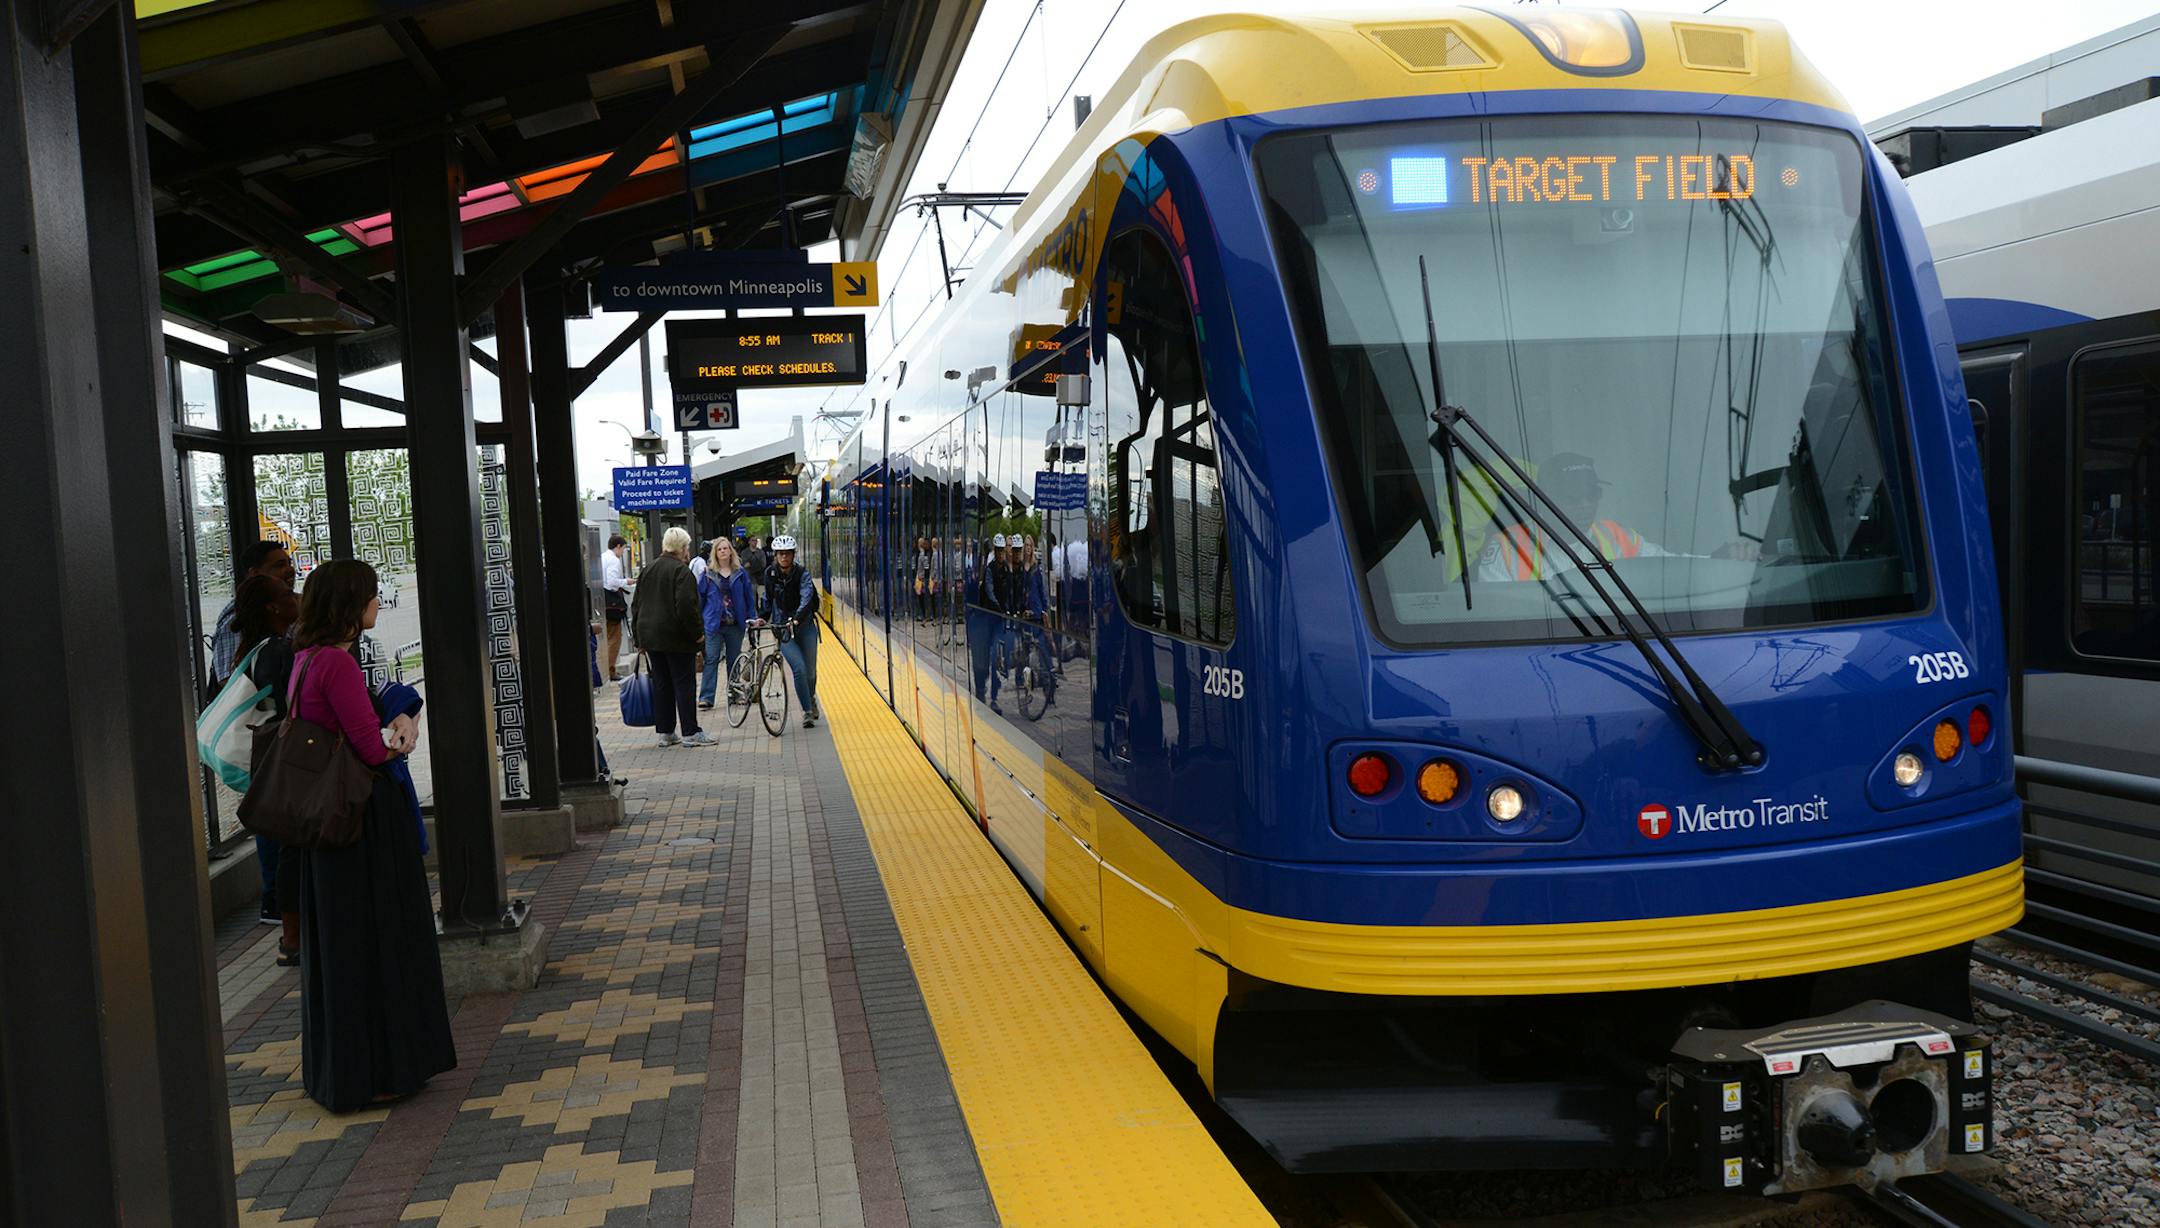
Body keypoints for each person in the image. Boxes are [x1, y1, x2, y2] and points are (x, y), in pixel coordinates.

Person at [285, 559, 455, 1112]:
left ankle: (347, 1071)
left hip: (327, 831)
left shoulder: (304, 660)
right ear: (349, 607)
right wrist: (404, 734)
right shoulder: (335, 663)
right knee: (378, 942)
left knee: (342, 949)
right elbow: (371, 746)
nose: (378, 604)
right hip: (360, 828)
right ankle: (380, 1070)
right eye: (372, 596)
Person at [232, 575, 303, 940]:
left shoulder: (252, 648)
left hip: (265, 756)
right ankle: (283, 914)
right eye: (287, 594)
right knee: (288, 839)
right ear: (273, 607)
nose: (295, 596)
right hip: (282, 756)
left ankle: (277, 907)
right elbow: (295, 706)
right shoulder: (278, 650)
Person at [634, 526, 713, 747]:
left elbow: (636, 605)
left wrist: (639, 639)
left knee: (662, 684)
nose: (688, 551)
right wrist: (697, 635)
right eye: (687, 546)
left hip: (651, 638)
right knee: (684, 684)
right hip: (677, 639)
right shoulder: (681, 572)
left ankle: (666, 732)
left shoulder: (648, 569)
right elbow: (687, 607)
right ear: (682, 548)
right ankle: (690, 732)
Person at [211, 540, 297, 688]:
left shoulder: (289, 609)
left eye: (289, 563)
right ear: (255, 573)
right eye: (280, 565)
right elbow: (229, 680)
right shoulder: (238, 616)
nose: (290, 570)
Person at [758, 535, 821, 728]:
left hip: (805, 626)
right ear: (775, 556)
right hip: (783, 629)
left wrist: (797, 619)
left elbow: (807, 598)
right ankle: (807, 712)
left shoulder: (802, 574)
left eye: (787, 554)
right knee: (799, 669)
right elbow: (768, 599)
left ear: (793, 555)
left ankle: (810, 697)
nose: (784, 557)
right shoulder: (770, 574)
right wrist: (763, 617)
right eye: (780, 554)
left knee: (810, 673)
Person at [697, 538, 755, 710]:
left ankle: (735, 694)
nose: (723, 551)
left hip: (734, 624)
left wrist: (752, 617)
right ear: (715, 553)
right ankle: (706, 697)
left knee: (734, 660)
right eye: (719, 549)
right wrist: (699, 622)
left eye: (726, 548)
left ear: (731, 551)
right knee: (712, 659)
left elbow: (748, 597)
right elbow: (699, 599)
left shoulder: (740, 573)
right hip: (714, 625)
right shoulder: (707, 574)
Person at [600, 534, 633, 681]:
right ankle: (610, 670)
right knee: (615, 638)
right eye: (623, 548)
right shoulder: (614, 560)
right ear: (618, 546)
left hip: (602, 603)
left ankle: (604, 670)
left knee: (606, 638)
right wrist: (626, 581)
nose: (623, 552)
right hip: (613, 604)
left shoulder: (602, 557)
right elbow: (612, 582)